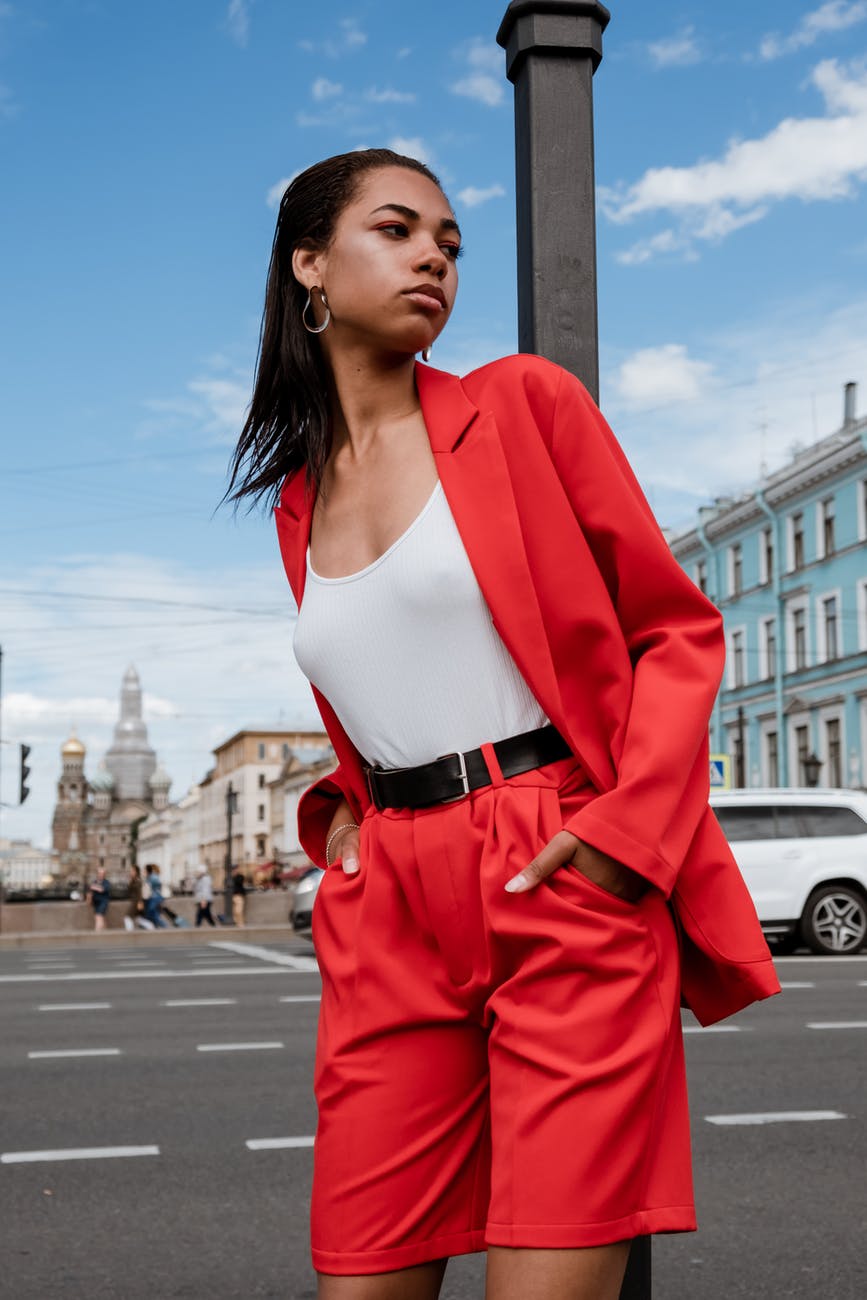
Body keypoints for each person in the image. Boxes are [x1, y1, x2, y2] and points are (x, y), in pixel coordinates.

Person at [227, 148, 781, 1300]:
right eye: (398, 229)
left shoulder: (525, 405)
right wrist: (344, 807)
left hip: (554, 863)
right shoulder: (296, 498)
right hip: (389, 914)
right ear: (310, 265)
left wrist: (627, 839)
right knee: (362, 1272)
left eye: (450, 240)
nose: (435, 253)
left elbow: (675, 632)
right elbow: (384, 672)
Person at [143, 864, 167, 929]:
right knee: (153, 913)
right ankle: (157, 926)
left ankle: (164, 926)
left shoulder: (153, 877)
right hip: (154, 897)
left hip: (155, 897)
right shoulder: (152, 877)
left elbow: (157, 886)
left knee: (151, 911)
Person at [88, 867, 110, 932]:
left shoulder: (106, 882)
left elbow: (102, 889)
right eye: (99, 873)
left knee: (98, 916)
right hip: (96, 903)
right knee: (100, 918)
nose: (100, 875)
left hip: (103, 902)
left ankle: (96, 933)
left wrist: (94, 887)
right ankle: (106, 932)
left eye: (102, 873)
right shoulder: (95, 881)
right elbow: (90, 890)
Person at [124, 864, 143, 932]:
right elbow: (129, 891)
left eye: (132, 871)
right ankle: (151, 927)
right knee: (138, 919)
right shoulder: (133, 880)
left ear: (136, 872)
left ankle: (130, 933)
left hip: (136, 902)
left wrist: (140, 903)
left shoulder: (138, 881)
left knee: (127, 917)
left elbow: (139, 893)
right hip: (134, 901)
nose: (130, 872)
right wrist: (130, 882)